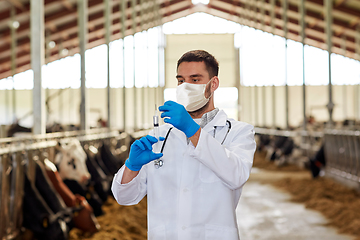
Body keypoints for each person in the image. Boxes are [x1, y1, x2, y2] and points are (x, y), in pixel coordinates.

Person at [111, 50, 256, 240]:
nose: (185, 87)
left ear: (213, 84)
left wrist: (191, 129)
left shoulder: (237, 132)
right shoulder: (160, 137)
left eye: (195, 80)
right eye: (181, 80)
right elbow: (125, 198)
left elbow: (237, 175)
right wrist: (132, 167)